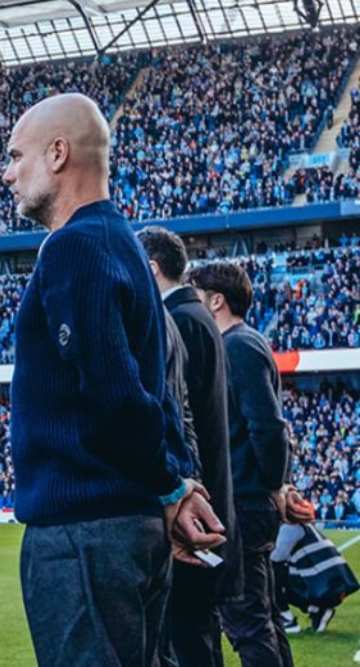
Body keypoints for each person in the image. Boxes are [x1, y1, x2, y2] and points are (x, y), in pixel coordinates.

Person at [3, 93, 226, 667]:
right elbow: (155, 391)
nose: (7, 174)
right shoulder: (123, 244)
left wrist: (172, 485)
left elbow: (115, 395)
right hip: (127, 530)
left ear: (58, 153)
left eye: (16, 156)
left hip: (85, 537)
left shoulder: (72, 248)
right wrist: (171, 484)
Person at [138, 226, 242, 667]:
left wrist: (181, 496)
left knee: (189, 640)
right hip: (208, 498)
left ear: (151, 267)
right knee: (199, 637)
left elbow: (181, 421)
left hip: (193, 508)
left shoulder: (176, 320)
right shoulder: (197, 317)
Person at [188, 261, 299, 667]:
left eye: (195, 293)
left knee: (244, 619)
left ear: (216, 300)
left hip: (245, 504)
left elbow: (268, 427)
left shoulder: (237, 346)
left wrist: (274, 485)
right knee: (261, 618)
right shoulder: (244, 343)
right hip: (249, 501)